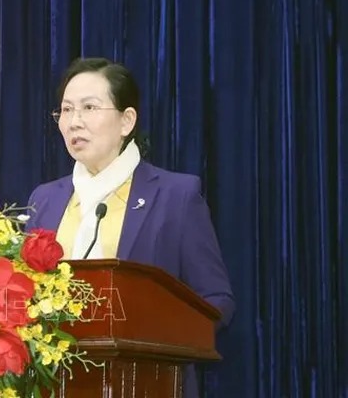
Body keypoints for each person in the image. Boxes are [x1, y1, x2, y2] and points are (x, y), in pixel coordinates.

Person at [25, 57, 234, 398]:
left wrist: (157, 336)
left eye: (89, 107)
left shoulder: (175, 196)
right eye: (65, 110)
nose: (74, 122)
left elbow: (216, 300)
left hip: (149, 382)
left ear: (126, 121)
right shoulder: (45, 199)